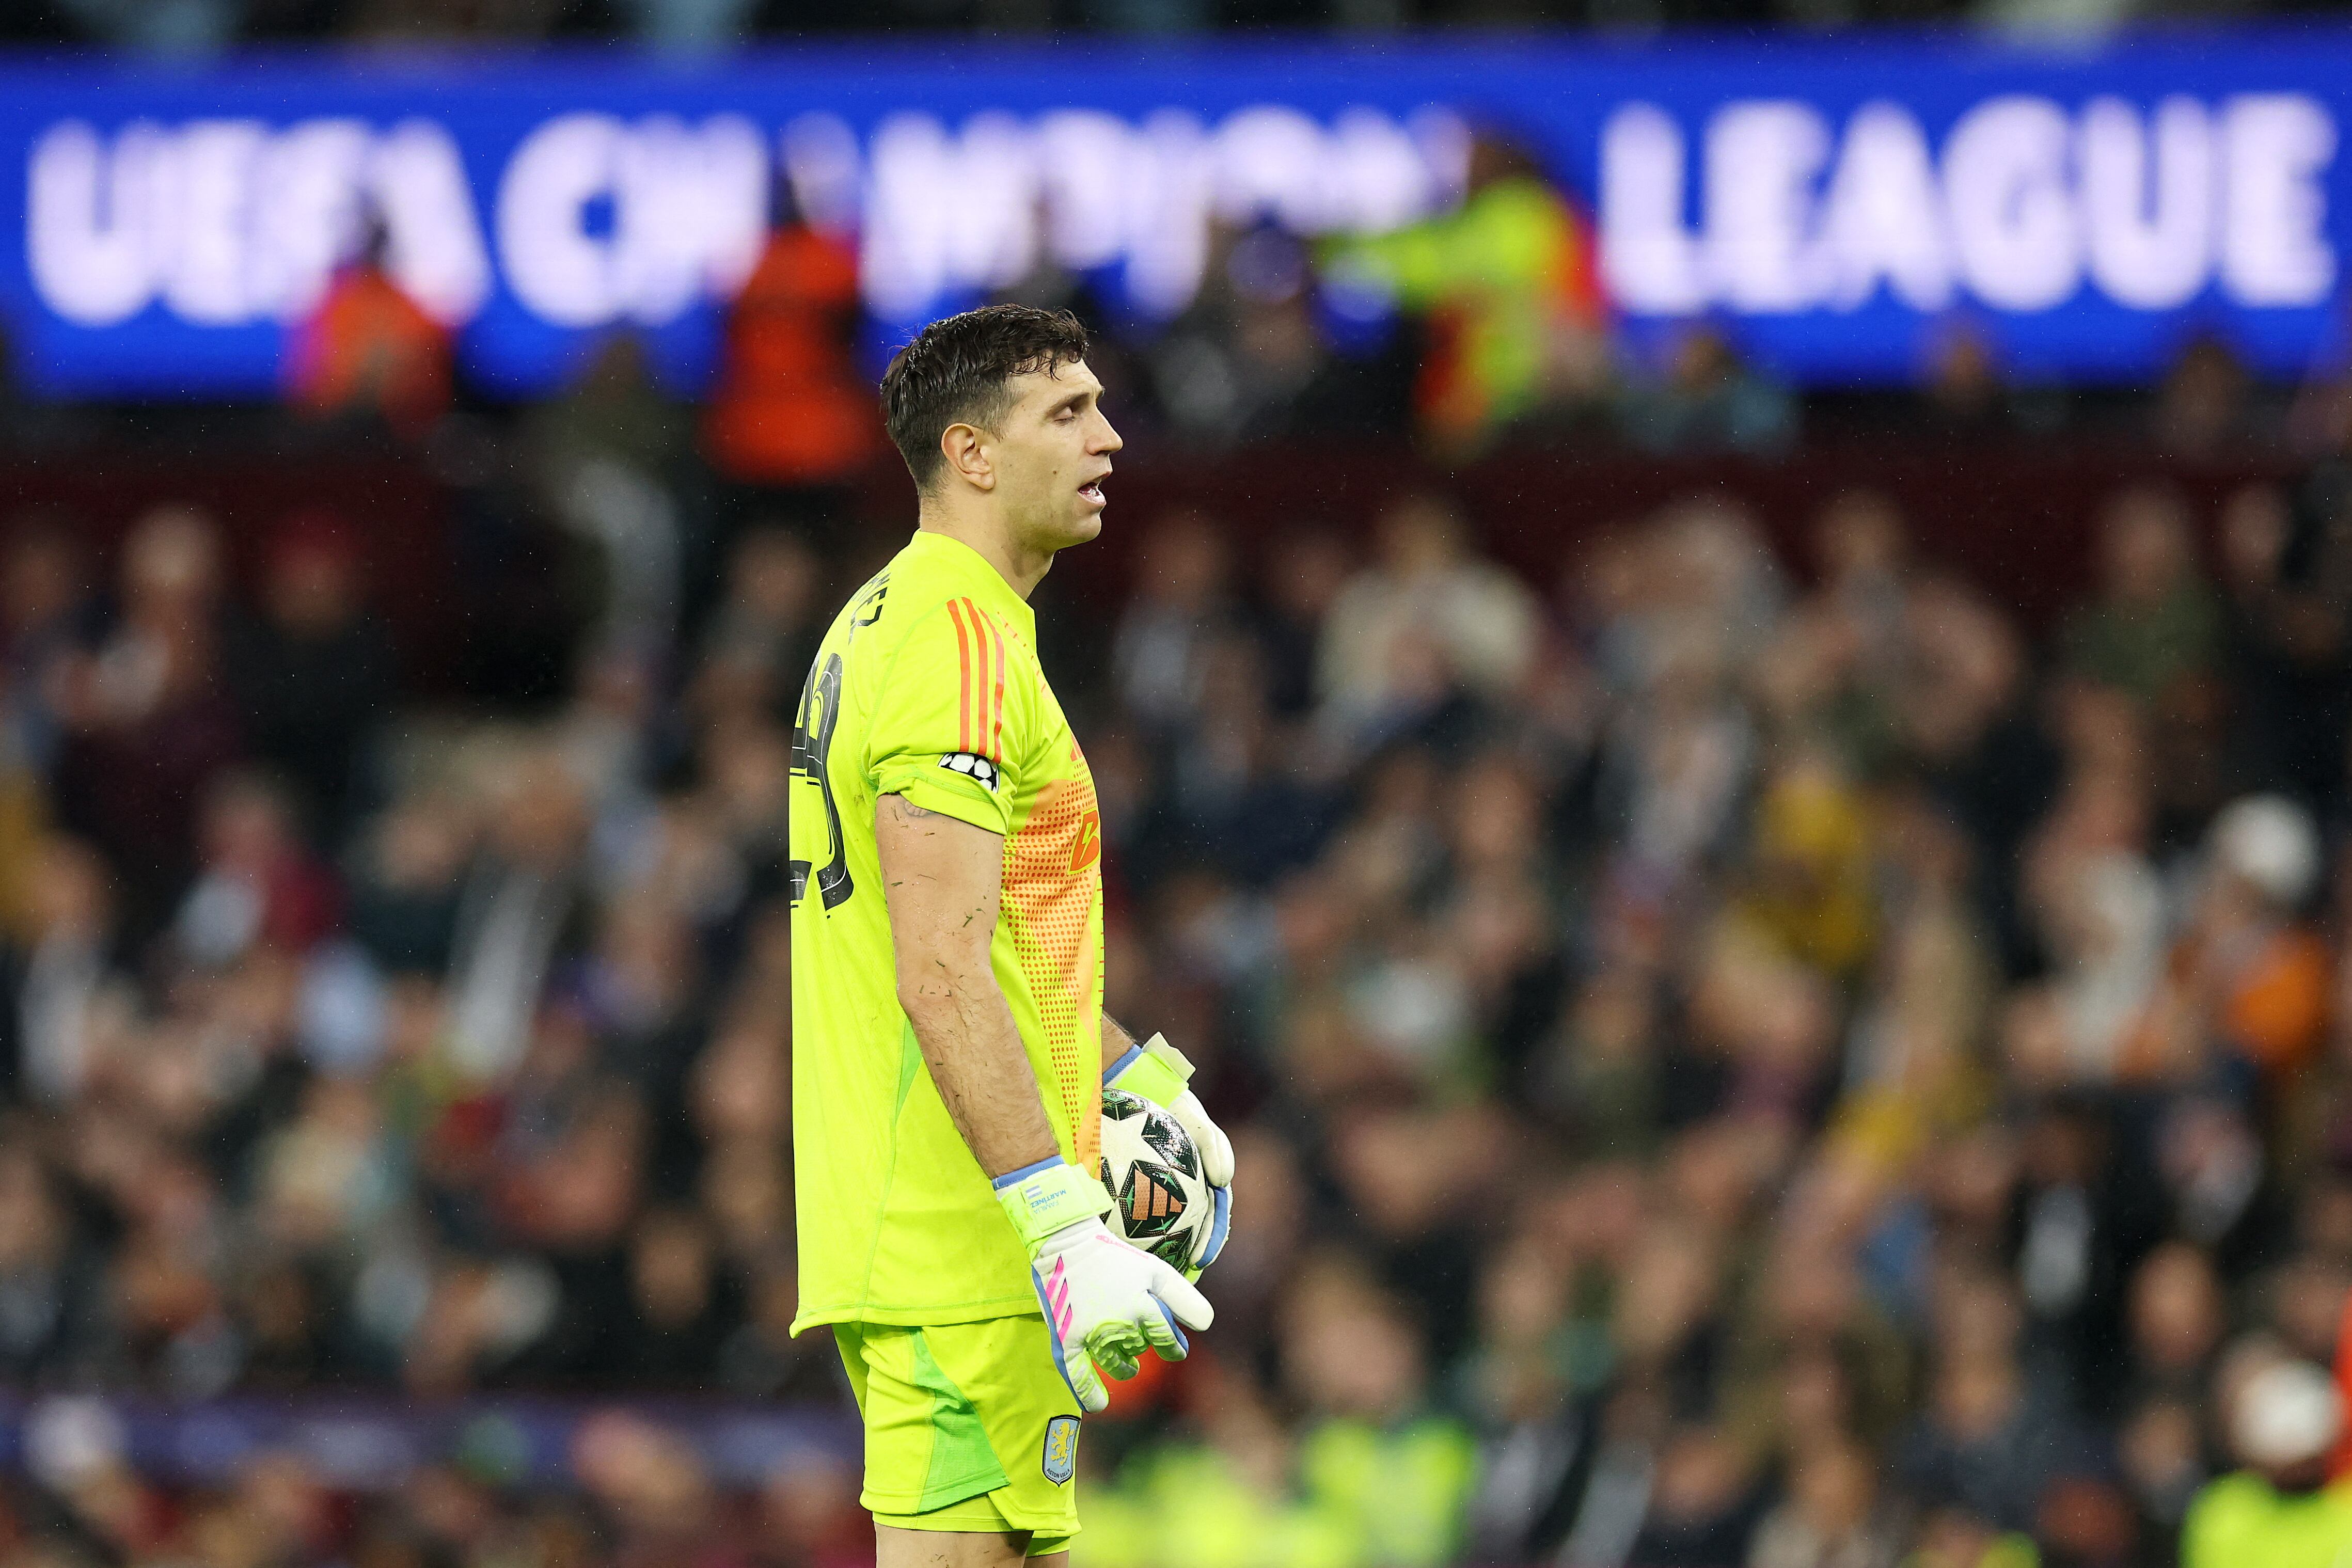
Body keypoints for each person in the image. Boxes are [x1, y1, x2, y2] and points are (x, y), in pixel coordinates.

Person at [786, 305, 1236, 1566]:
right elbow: (936, 965)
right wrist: (1059, 1226)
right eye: (1069, 413)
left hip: (954, 1227)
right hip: (959, 1239)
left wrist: (1136, 1078)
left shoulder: (902, 619)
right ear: (973, 453)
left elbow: (979, 946)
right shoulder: (958, 635)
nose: (1109, 438)